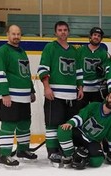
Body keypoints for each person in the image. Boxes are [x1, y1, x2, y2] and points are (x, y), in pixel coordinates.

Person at [37, 21, 83, 163]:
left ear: (68, 32)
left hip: (71, 95)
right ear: (55, 32)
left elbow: (79, 72)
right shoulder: (50, 47)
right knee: (52, 123)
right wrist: (46, 87)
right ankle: (52, 151)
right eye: (60, 30)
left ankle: (64, 149)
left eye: (65, 30)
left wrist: (80, 88)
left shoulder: (74, 51)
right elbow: (43, 69)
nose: (63, 32)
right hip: (55, 93)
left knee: (67, 124)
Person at [0, 25, 37, 166]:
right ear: (7, 35)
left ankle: (22, 150)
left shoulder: (21, 52)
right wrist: (4, 93)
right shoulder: (2, 51)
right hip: (11, 96)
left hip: (24, 97)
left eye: (18, 34)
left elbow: (26, 73)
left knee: (25, 123)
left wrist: (31, 91)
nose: (16, 36)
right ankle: (4, 154)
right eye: (13, 34)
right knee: (8, 124)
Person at [57, 91, 111, 169]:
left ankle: (83, 157)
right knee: (63, 130)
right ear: (107, 98)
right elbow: (81, 116)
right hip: (80, 133)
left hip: (93, 141)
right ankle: (71, 156)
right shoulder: (94, 106)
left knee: (98, 161)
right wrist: (71, 123)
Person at [77, 27, 111, 106]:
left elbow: (109, 70)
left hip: (98, 90)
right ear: (90, 36)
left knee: (96, 114)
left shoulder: (105, 54)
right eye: (94, 35)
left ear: (101, 39)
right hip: (82, 89)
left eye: (99, 36)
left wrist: (103, 73)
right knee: (81, 113)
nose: (96, 37)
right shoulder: (80, 51)